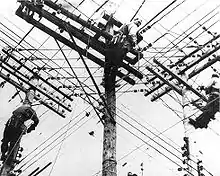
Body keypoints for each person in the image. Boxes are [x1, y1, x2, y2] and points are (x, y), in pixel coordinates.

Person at [101, 18, 142, 88]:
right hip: (122, 46)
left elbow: (118, 31)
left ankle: (105, 80)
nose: (138, 24)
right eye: (138, 22)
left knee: (109, 62)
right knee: (116, 64)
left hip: (115, 43)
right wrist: (135, 44)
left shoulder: (126, 24)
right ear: (135, 20)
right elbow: (132, 34)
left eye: (140, 24)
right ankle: (110, 82)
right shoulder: (133, 25)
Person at [1, 88, 39, 162]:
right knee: (14, 143)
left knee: (5, 140)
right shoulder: (30, 110)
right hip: (16, 125)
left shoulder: (20, 108)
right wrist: (30, 128)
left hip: (9, 124)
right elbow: (36, 121)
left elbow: (14, 113)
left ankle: (3, 155)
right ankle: (10, 158)